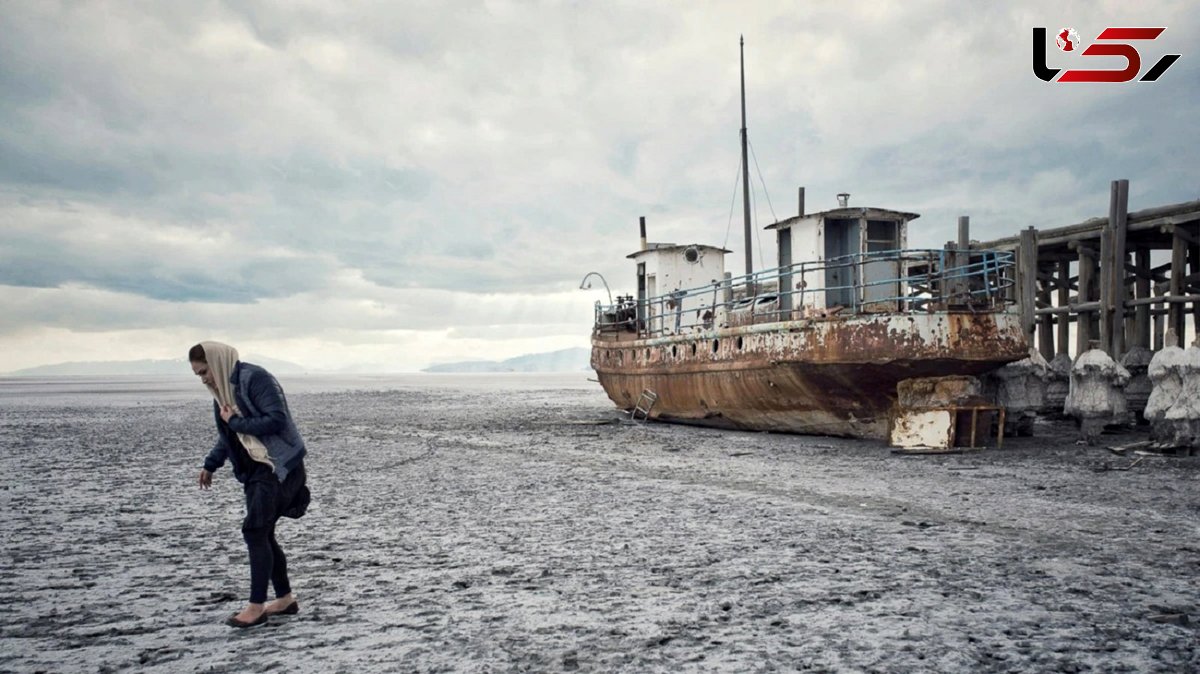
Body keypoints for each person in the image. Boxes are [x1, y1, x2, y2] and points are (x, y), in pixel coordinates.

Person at [190, 341, 310, 628]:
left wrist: (236, 422)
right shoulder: (223, 393)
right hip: (256, 470)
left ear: (218, 362)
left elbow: (276, 420)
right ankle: (284, 599)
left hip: (277, 467)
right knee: (263, 533)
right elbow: (230, 436)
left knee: (256, 531)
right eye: (198, 375)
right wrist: (211, 463)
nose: (204, 379)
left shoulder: (255, 379)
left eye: (205, 371)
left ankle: (256, 607)